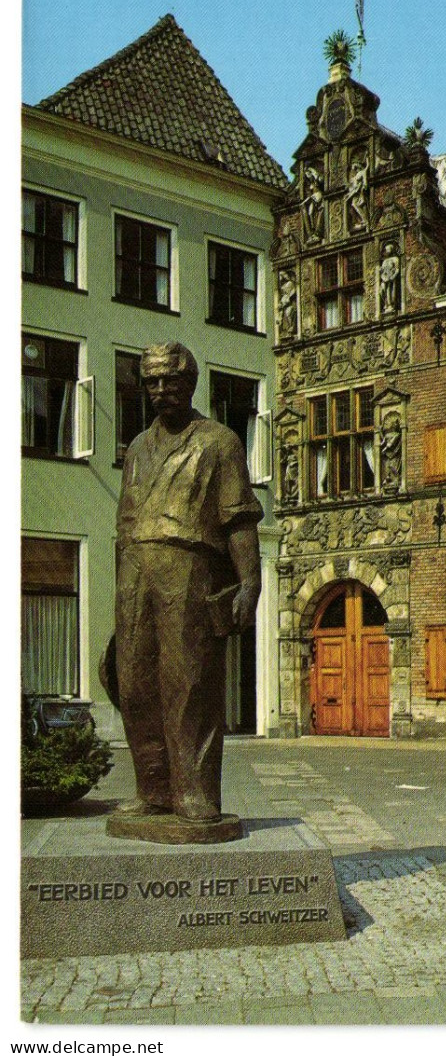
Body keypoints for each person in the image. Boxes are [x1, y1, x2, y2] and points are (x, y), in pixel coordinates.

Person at [114, 343, 263, 828]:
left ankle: (194, 792)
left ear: (189, 383)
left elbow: (238, 519)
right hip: (136, 567)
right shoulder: (136, 448)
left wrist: (249, 583)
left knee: (189, 683)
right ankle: (152, 789)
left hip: (190, 565)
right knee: (135, 683)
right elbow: (125, 522)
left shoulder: (219, 442)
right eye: (152, 382)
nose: (160, 391)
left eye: (170, 382)